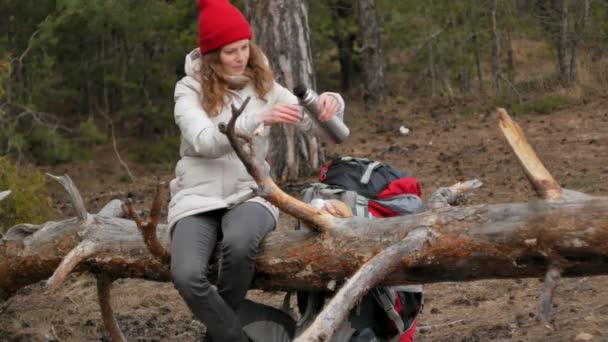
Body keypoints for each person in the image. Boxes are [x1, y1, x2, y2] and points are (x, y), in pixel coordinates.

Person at [167, 1, 346, 341]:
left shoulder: (265, 86)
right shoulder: (187, 90)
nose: (240, 57)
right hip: (196, 198)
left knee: (240, 243)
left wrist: (331, 103)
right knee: (187, 274)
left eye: (244, 47)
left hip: (251, 193)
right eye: (230, 51)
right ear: (211, 55)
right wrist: (256, 119)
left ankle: (215, 335)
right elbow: (205, 141)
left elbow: (323, 131)